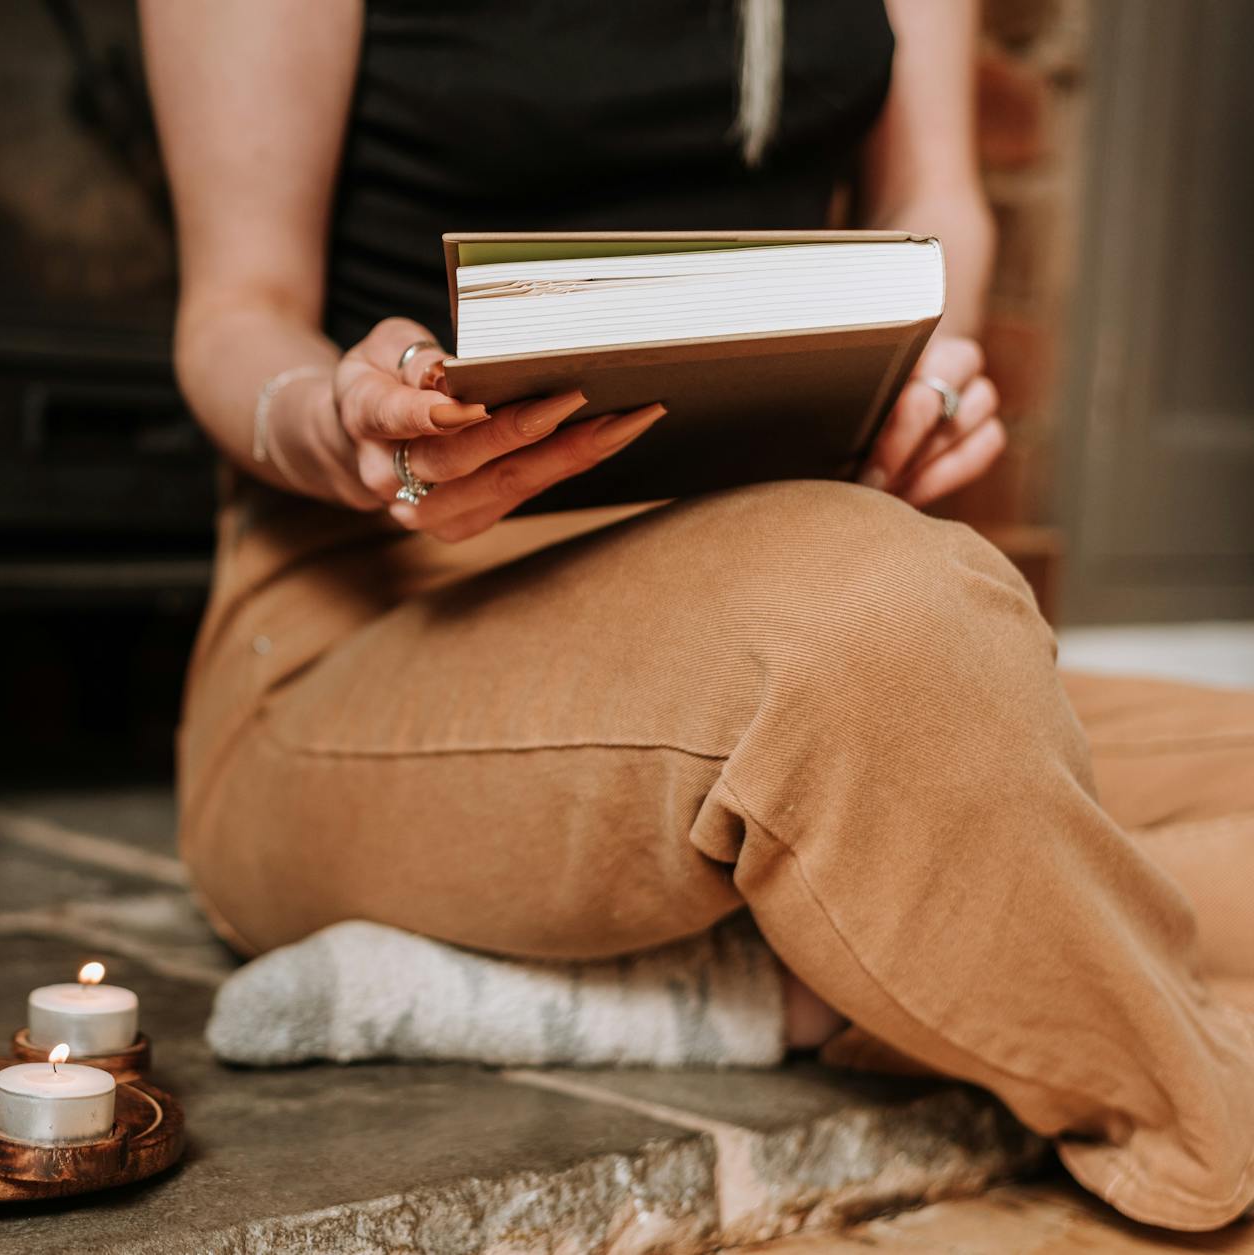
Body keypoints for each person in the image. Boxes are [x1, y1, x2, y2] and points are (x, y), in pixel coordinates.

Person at [140, 0, 1254, 1230]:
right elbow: (232, 312)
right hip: (375, 618)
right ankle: (1200, 1127)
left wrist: (929, 373)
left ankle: (755, 984)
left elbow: (935, 196)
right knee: (885, 618)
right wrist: (340, 419)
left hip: (763, 566)